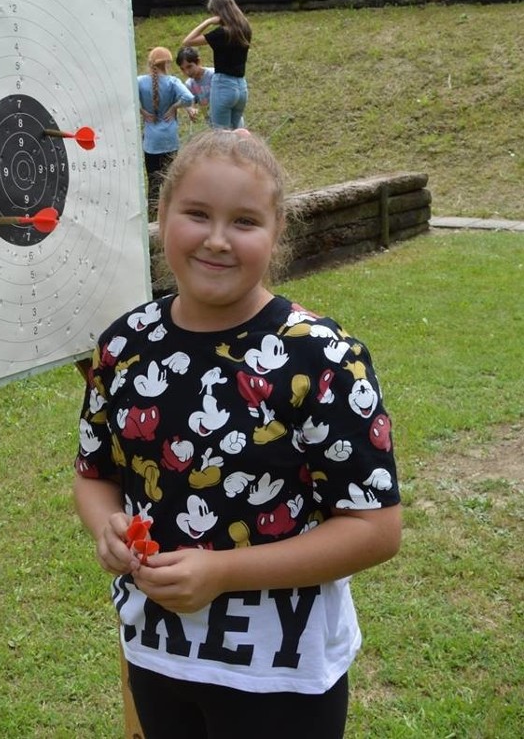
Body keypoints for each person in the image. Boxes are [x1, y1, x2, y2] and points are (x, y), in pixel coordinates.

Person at [73, 128, 401, 739]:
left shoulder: (323, 358)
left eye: (245, 221)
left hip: (283, 676)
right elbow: (95, 475)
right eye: (196, 214)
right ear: (162, 215)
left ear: (278, 233)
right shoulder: (123, 346)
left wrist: (222, 573)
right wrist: (107, 529)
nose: (217, 239)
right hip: (158, 654)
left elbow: (375, 530)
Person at [137, 46, 195, 220]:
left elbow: (126, 96)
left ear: (150, 63)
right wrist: (174, 107)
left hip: (151, 142)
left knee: (153, 183)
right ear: (167, 63)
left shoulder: (139, 81)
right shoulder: (173, 82)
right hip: (169, 140)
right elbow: (189, 98)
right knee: (171, 181)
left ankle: (153, 217)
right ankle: (172, 215)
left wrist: (142, 111)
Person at [182, 0, 252, 130]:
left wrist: (208, 22)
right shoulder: (245, 29)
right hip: (241, 88)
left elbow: (187, 41)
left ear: (218, 12)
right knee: (235, 133)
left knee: (221, 137)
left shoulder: (222, 33)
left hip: (223, 86)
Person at [175, 46, 214, 125]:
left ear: (198, 61)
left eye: (189, 67)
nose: (187, 72)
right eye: (182, 69)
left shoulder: (214, 75)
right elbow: (189, 102)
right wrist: (190, 110)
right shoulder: (189, 84)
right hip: (211, 123)